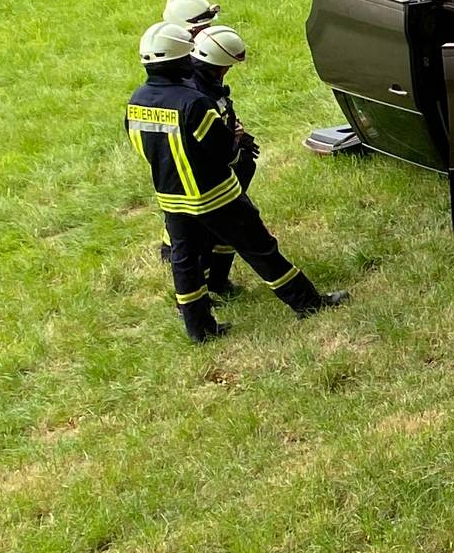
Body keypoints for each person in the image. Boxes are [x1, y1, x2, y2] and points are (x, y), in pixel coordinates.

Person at [127, 23, 347, 343]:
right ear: (181, 60)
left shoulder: (137, 100)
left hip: (172, 198)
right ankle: (308, 304)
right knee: (260, 249)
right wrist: (237, 140)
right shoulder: (193, 104)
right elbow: (223, 152)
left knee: (185, 263)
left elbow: (140, 146)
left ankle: (199, 329)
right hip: (215, 196)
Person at [188, 24, 263, 299]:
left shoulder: (205, 82)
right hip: (209, 179)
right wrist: (231, 139)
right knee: (223, 228)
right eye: (225, 67)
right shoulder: (195, 93)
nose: (227, 72)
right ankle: (207, 284)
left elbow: (222, 110)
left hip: (226, 169)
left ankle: (218, 281)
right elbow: (205, 140)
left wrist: (239, 136)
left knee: (227, 230)